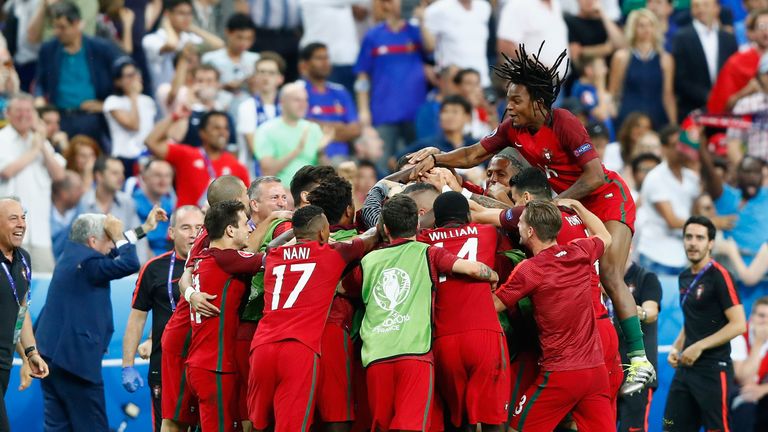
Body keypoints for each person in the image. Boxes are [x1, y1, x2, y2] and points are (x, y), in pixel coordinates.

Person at [409, 42, 656, 396]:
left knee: (610, 273)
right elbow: (474, 154)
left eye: (516, 100)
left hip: (605, 197)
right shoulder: (512, 127)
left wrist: (555, 205)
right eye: (508, 98)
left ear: (538, 101)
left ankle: (639, 361)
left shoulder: (565, 123)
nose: (509, 106)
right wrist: (438, 159)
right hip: (570, 204)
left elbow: (595, 177)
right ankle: (603, 354)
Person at [341, 195, 499, 431]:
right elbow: (473, 268)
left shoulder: (369, 261)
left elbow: (342, 287)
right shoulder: (428, 252)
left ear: (385, 228)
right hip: (415, 354)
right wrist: (493, 276)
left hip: (376, 356)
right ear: (417, 225)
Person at [248, 205, 379, 431]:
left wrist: (295, 231)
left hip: (261, 348)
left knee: (258, 425)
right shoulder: (332, 254)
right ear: (322, 233)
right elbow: (373, 236)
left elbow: (271, 246)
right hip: (298, 350)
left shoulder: (274, 257)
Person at [36, 208, 166, 431]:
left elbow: (113, 251)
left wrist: (144, 229)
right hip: (75, 366)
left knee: (59, 427)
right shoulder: (89, 265)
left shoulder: (73, 255)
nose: (112, 245)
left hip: (51, 359)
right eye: (109, 238)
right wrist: (118, 236)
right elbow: (129, 263)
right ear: (93, 240)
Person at [492, 199, 614, 431]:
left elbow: (494, 305)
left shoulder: (531, 269)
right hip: (595, 372)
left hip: (561, 375)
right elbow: (605, 235)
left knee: (515, 429)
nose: (516, 225)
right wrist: (579, 206)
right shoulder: (581, 250)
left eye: (520, 223)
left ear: (530, 231)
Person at [159, 176, 250, 432]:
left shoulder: (215, 236)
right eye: (245, 193)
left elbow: (188, 273)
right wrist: (190, 295)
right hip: (185, 336)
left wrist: (190, 293)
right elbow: (185, 277)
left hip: (199, 334)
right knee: (176, 419)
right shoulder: (211, 237)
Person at [416, 191, 510, 430]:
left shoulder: (423, 240)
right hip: (485, 333)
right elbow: (506, 214)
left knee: (458, 422)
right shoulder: (488, 233)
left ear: (436, 219)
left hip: (444, 338)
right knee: (493, 419)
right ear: (468, 215)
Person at [185, 200, 267, 432]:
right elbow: (275, 259)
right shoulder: (227, 258)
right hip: (214, 366)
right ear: (230, 230)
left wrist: (189, 292)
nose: (250, 228)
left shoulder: (204, 258)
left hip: (202, 362)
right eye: (245, 223)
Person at [121, 205, 204, 432]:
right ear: (171, 232)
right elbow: (137, 318)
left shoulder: (216, 263)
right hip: (165, 366)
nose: (193, 234)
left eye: (199, 227)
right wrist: (127, 365)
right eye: (186, 227)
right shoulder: (153, 269)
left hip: (206, 364)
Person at [664, 216, 747, 431]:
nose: (693, 242)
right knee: (671, 427)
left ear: (710, 243)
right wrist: (677, 345)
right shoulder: (683, 276)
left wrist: (699, 345)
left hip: (713, 369)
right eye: (688, 237)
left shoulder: (720, 275)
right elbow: (692, 319)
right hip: (686, 368)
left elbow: (739, 324)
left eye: (700, 238)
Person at [34, 1, 120, 148]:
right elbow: (40, 81)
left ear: (77, 24)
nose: (57, 32)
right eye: (54, 26)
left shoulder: (100, 48)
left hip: (91, 118)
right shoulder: (49, 49)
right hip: (61, 116)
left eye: (62, 27)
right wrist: (39, 98)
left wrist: (106, 104)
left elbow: (123, 72)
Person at [355, 0, 427, 170]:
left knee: (418, 166)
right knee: (381, 165)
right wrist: (363, 109)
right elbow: (362, 75)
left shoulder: (416, 32)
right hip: (383, 111)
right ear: (386, 4)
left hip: (415, 112)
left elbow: (431, 49)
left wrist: (423, 20)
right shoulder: (373, 36)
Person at [0, 93, 66, 272]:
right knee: (9, 291)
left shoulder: (41, 142)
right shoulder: (2, 138)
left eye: (28, 111)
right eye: (18, 110)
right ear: (8, 113)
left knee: (44, 285)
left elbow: (59, 174)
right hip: (6, 234)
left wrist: (42, 143)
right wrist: (35, 149)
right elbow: (6, 171)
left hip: (40, 233)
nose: (24, 115)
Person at [0, 198, 49, 431]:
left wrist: (30, 353)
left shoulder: (23, 260)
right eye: (13, 219)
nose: (21, 224)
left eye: (23, 218)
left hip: (4, 363)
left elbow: (21, 310)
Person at [145, 110, 250, 207]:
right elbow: (151, 142)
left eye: (226, 128)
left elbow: (247, 202)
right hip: (186, 223)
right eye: (216, 128)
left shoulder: (237, 166)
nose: (222, 132)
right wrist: (175, 117)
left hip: (218, 225)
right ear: (202, 133)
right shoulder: (187, 155)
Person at [635, 125, 700, 275]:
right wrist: (710, 223)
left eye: (683, 145)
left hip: (681, 255)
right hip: (655, 255)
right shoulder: (656, 177)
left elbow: (696, 212)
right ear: (663, 148)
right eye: (674, 145)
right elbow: (672, 221)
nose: (680, 150)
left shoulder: (691, 177)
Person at [700, 142, 768, 263]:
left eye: (756, 172)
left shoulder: (766, 195)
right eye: (747, 172)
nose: (752, 177)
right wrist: (699, 142)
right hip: (731, 267)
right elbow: (709, 173)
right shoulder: (726, 196)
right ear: (737, 174)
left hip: (763, 269)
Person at [609, 8, 676, 129]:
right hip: (628, 117)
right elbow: (613, 92)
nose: (646, 29)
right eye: (641, 25)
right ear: (633, 28)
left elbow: (668, 95)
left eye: (650, 25)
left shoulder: (665, 59)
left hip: (657, 116)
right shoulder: (622, 57)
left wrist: (673, 124)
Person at [672, 0, 738, 121]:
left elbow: (734, 74)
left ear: (717, 8)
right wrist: (708, 96)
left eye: (705, 5)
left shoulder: (729, 38)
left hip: (725, 111)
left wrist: (723, 97)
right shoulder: (680, 38)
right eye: (696, 6)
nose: (701, 9)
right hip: (692, 110)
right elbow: (680, 78)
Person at [616, 258, 662, 432]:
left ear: (629, 246)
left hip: (637, 375)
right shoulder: (603, 278)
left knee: (632, 428)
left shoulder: (646, 277)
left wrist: (637, 312)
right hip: (609, 370)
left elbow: (651, 312)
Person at [255, 82, 333, 185]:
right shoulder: (266, 129)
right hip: (282, 194)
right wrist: (297, 150)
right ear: (282, 102)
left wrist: (321, 152)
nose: (303, 105)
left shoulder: (313, 128)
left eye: (305, 100)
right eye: (297, 100)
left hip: (312, 192)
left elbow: (327, 175)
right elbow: (267, 171)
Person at [142, 0, 224, 97]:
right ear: (167, 14)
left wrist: (192, 28)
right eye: (181, 13)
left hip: (189, 95)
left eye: (189, 14)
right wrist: (166, 24)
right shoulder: (152, 39)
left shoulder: (188, 37)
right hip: (164, 95)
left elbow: (219, 44)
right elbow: (172, 45)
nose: (186, 18)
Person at [300, 42, 361, 160]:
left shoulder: (340, 91)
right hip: (310, 157)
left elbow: (355, 130)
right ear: (305, 64)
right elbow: (303, 127)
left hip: (343, 158)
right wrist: (340, 126)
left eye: (327, 57)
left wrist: (320, 127)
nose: (325, 62)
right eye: (319, 58)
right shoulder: (299, 91)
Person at [103, 57, 157, 177]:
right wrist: (133, 95)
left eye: (136, 73)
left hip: (147, 156)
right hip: (125, 157)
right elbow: (133, 125)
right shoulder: (112, 101)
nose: (135, 78)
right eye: (129, 76)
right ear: (118, 81)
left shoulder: (148, 101)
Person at [419, 0, 491, 87]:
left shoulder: (484, 7)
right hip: (454, 83)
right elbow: (427, 45)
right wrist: (427, 66)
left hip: (482, 81)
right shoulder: (437, 9)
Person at [237, 52, 285, 170]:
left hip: (283, 171)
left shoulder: (286, 107)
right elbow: (257, 149)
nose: (266, 77)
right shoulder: (247, 107)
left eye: (271, 73)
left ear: (280, 79)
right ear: (255, 77)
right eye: (261, 72)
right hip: (253, 176)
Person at [496, 0, 569, 78]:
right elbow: (505, 45)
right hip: (531, 82)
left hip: (558, 82)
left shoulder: (555, 4)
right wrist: (539, 68)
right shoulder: (518, 4)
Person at [395, 95, 474, 162]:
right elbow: (394, 161)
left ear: (467, 117)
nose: (449, 116)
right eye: (445, 111)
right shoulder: (427, 145)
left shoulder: (474, 146)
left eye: (455, 112)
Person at [729, 296, 768, 431]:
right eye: (761, 315)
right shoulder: (738, 335)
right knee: (746, 404)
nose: (765, 321)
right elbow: (743, 379)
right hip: (737, 391)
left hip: (763, 390)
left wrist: (762, 390)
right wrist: (758, 343)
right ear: (752, 316)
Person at [201, 13, 259, 96]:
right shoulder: (210, 59)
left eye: (249, 38)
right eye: (239, 37)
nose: (244, 43)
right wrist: (224, 86)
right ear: (228, 32)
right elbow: (202, 87)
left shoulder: (256, 60)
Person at [132, 160, 176, 256]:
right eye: (157, 175)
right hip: (141, 257)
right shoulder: (132, 203)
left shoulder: (173, 204)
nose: (163, 180)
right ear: (144, 177)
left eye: (167, 176)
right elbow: (131, 236)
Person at [51, 170, 85, 260]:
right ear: (64, 193)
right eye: (78, 188)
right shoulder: (45, 213)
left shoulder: (80, 211)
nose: (83, 191)